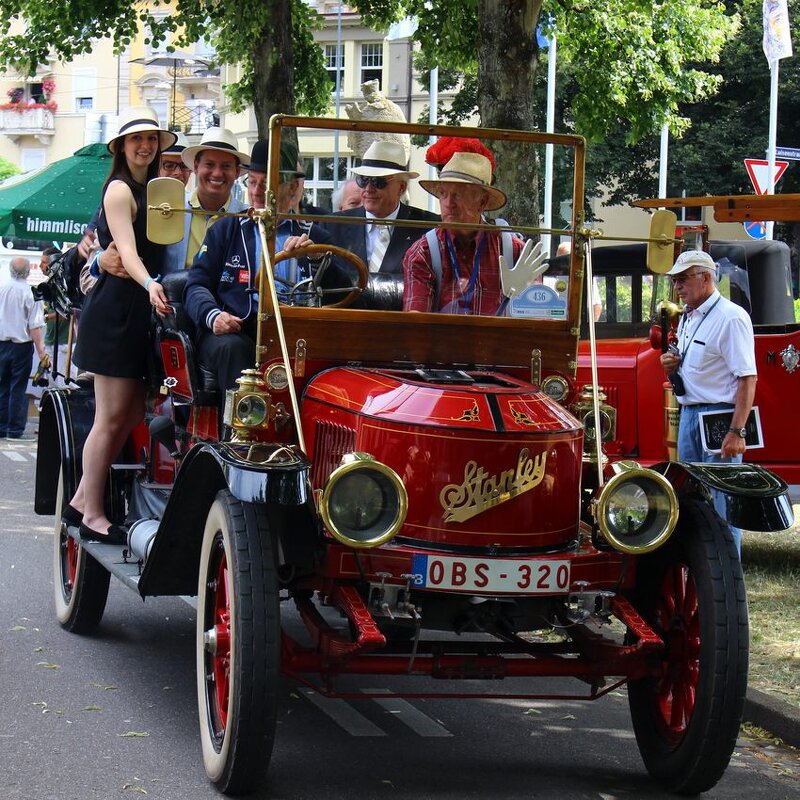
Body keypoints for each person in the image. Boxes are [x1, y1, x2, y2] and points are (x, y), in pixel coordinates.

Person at [67, 107, 177, 544]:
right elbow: (126, 251)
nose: (145, 146)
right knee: (111, 416)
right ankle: (89, 508)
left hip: (136, 311)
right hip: (116, 311)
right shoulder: (119, 190)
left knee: (130, 413)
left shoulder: (155, 189)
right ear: (121, 147)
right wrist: (150, 282)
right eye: (137, 140)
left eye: (151, 140)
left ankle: (81, 498)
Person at [184, 139, 335, 393]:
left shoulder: (314, 236)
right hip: (239, 329)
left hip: (297, 332)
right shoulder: (227, 230)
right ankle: (241, 430)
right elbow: (195, 285)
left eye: (266, 185)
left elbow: (347, 288)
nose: (255, 192)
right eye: (252, 182)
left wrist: (316, 258)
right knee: (233, 349)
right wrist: (214, 316)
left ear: (293, 188)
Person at [659, 249, 757, 556]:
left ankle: (726, 591)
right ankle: (701, 582)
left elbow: (747, 378)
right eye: (675, 280)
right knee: (692, 502)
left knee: (723, 507)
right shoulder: (690, 317)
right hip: (690, 414)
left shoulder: (731, 317)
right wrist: (673, 364)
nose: (677, 287)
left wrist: (737, 431)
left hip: (718, 417)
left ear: (706, 277)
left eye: (683, 279)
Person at [402, 150, 525, 315]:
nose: (448, 203)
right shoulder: (423, 253)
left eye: (458, 195)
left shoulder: (515, 251)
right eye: (443, 193)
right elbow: (416, 324)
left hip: (501, 341)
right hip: (443, 341)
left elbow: (534, 321)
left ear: (482, 202)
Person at [309, 140, 438, 275]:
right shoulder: (333, 225)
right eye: (363, 180)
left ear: (401, 188)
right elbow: (323, 280)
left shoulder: (428, 228)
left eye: (379, 181)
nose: (369, 189)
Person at [0, 257, 46, 439]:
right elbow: (34, 326)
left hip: (2, 344)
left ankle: (1, 426)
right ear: (27, 272)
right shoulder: (30, 293)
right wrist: (41, 352)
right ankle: (14, 429)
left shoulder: (2, 288)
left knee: (2, 386)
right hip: (22, 346)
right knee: (18, 387)